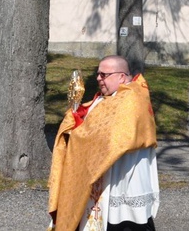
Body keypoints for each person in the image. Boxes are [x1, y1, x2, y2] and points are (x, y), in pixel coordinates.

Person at [48, 55, 160, 231]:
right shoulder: (108, 97)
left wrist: (80, 135)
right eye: (98, 74)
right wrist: (76, 119)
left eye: (104, 74)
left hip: (124, 172)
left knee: (125, 221)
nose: (99, 78)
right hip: (106, 173)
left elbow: (114, 135)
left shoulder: (132, 98)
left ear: (122, 76)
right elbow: (95, 122)